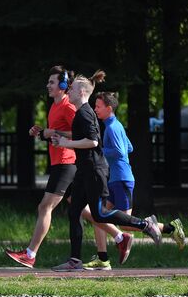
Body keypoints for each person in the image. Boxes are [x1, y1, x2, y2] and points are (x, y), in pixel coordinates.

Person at [5, 66, 131, 269]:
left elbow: (82, 135)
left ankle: (30, 254)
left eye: (52, 82)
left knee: (44, 207)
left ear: (63, 86)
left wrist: (54, 132)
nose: (48, 85)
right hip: (63, 163)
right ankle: (119, 236)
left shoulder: (68, 106)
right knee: (84, 211)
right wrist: (41, 133)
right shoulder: (54, 106)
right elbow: (61, 133)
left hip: (67, 163)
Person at [51, 71, 164, 272]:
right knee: (74, 211)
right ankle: (74, 260)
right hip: (83, 171)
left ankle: (145, 225)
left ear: (82, 91)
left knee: (100, 214)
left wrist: (66, 143)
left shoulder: (85, 113)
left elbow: (94, 141)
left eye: (73, 88)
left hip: (94, 171)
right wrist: (57, 138)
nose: (69, 90)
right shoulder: (81, 113)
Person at [83, 92, 186, 271]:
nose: (95, 109)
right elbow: (129, 147)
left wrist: (99, 150)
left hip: (122, 180)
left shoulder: (112, 128)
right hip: (115, 179)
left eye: (98, 106)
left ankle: (170, 228)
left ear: (109, 108)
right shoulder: (116, 126)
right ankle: (102, 258)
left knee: (124, 223)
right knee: (99, 216)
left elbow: (121, 151)